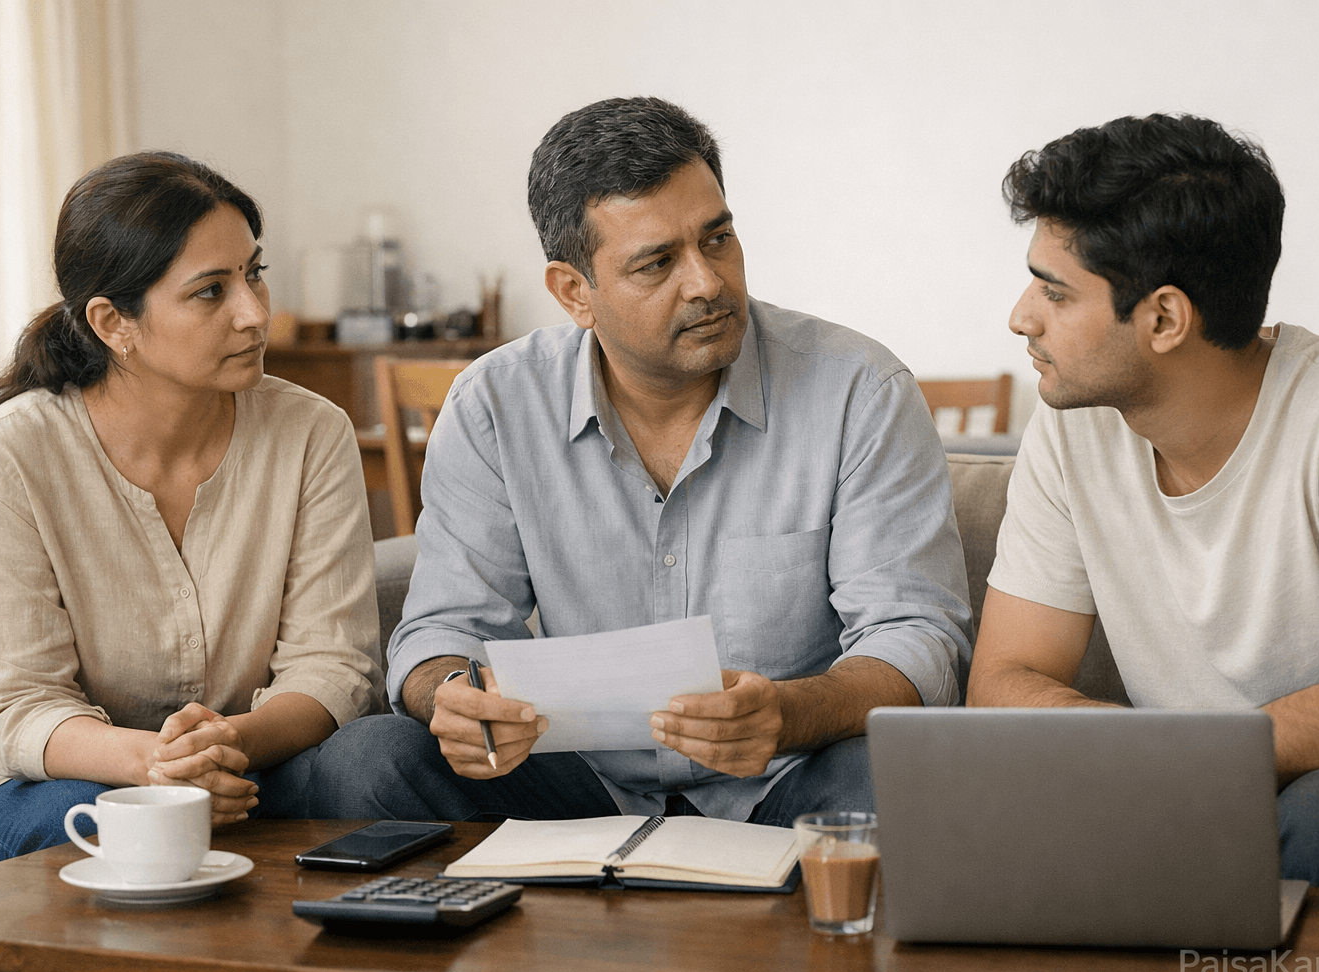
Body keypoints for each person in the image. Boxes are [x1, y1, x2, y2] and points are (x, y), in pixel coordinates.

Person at [332, 96, 971, 828]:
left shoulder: (859, 388)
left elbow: (918, 636)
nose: (705, 281)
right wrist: (452, 696)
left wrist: (788, 713)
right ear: (575, 292)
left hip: (788, 778)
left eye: (718, 238)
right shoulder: (495, 403)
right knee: (369, 762)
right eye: (657, 262)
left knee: (901, 780)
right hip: (574, 788)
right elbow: (445, 629)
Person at [969, 112, 1319, 897]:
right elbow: (1003, 679)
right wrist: (1155, 759)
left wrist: (1167, 756)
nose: (1021, 316)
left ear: (1165, 318)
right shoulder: (1072, 430)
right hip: (1196, 780)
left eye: (1055, 292)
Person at [0, 152, 382, 868]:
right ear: (115, 322)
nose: (255, 312)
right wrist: (159, 769)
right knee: (143, 834)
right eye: (211, 292)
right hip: (31, 782)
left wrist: (228, 745)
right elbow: (14, 706)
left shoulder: (312, 431)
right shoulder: (10, 455)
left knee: (385, 754)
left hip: (242, 764)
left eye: (254, 273)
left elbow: (333, 665)